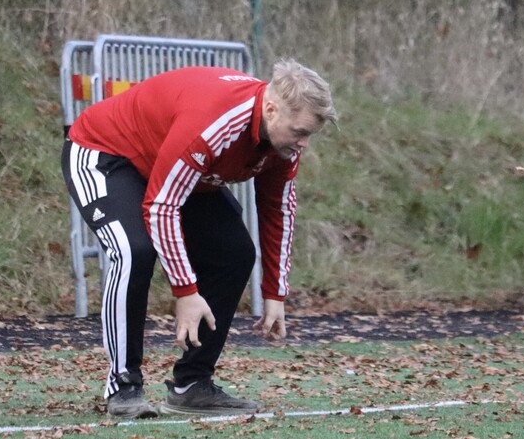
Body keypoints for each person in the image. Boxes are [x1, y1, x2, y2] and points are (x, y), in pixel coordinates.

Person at [62, 60, 336, 418]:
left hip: (172, 167)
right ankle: (123, 385)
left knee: (234, 253)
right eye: (299, 132)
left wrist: (275, 292)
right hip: (107, 153)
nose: (304, 143)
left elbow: (278, 210)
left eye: (309, 135)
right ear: (271, 110)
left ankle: (192, 384)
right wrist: (186, 292)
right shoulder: (216, 123)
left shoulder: (283, 146)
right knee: (134, 251)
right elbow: (161, 207)